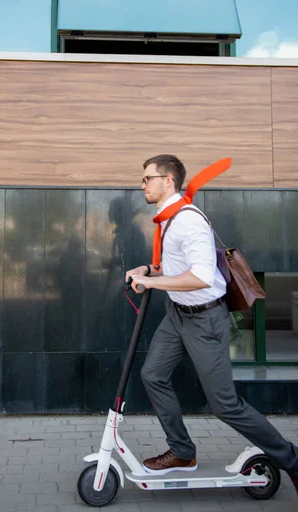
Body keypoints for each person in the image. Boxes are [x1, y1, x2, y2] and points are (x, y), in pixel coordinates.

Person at [125, 154, 298, 494]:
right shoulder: (167, 220)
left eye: (147, 178)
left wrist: (154, 284)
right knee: (152, 374)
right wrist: (148, 270)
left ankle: (291, 459)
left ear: (168, 181)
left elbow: (202, 277)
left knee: (225, 405)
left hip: (205, 319)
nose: (142, 184)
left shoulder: (188, 220)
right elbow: (175, 268)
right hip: (177, 316)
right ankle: (182, 452)